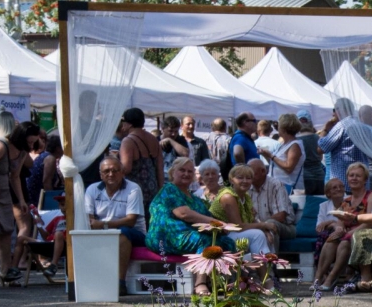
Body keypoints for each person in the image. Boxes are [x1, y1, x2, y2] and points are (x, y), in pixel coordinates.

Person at [146, 157, 270, 294]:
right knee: (204, 240)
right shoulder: (169, 189)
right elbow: (184, 213)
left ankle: (228, 283)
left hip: (187, 235)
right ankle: (200, 283)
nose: (186, 174)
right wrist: (217, 223)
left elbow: (209, 217)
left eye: (190, 171)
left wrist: (222, 227)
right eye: (182, 170)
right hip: (166, 236)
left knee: (227, 242)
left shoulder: (194, 199)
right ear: (173, 172)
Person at [84, 155, 147, 296]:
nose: (111, 174)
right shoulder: (92, 189)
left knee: (122, 232)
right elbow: (89, 220)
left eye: (115, 170)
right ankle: (86, 282)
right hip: (103, 232)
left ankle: (120, 283)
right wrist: (101, 226)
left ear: (122, 172)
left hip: (134, 234)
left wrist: (102, 224)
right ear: (100, 174)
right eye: (106, 171)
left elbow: (130, 221)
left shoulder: (133, 188)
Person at [0, 112, 31, 285]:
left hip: (3, 193)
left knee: (6, 230)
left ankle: (5, 271)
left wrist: (21, 200)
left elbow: (14, 176)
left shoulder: (15, 148)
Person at [320, 101, 372, 190]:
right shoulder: (364, 127)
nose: (333, 114)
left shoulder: (341, 126)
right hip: (362, 180)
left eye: (334, 110)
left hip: (342, 182)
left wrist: (325, 130)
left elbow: (321, 148)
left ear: (340, 110)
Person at [314, 178, 360, 291]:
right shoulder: (324, 206)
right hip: (332, 234)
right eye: (334, 187)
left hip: (347, 231)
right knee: (329, 238)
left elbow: (351, 221)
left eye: (341, 186)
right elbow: (319, 227)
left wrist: (331, 222)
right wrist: (335, 225)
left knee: (335, 238)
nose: (338, 189)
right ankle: (321, 276)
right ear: (328, 193)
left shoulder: (349, 201)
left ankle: (325, 276)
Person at [247, 158, 298, 249]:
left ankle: (270, 257)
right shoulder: (247, 188)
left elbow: (281, 216)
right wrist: (260, 226)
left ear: (263, 171)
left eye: (251, 174)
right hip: (259, 226)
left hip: (286, 227)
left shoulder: (276, 185)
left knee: (271, 224)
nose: (248, 177)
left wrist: (263, 225)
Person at [118, 107, 163, 210]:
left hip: (135, 191)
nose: (122, 125)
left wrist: (113, 159)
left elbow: (126, 168)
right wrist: (160, 189)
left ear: (129, 124)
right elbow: (160, 166)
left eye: (123, 122)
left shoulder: (128, 141)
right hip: (153, 189)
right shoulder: (153, 139)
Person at [260, 113, 304, 195]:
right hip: (278, 187)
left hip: (287, 188)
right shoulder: (284, 144)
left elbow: (289, 167)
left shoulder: (295, 146)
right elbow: (276, 164)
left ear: (284, 128)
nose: (277, 128)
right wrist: (266, 155)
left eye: (279, 125)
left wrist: (271, 156)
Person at [296, 112, 326, 196]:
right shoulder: (317, 137)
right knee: (320, 201)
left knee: (307, 202)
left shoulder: (297, 140)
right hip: (319, 175)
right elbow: (320, 157)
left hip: (305, 176)